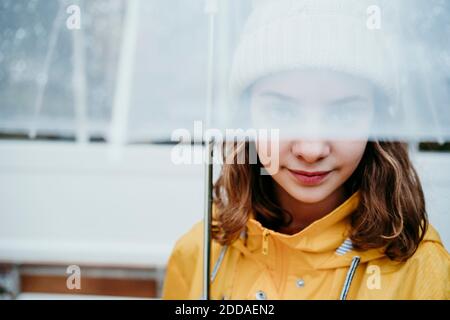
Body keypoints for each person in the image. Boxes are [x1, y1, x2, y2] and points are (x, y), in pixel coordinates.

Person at [162, 0, 450, 299]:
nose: (311, 149)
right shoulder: (202, 252)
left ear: (377, 122)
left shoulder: (420, 271)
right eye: (282, 112)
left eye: (342, 114)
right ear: (246, 118)